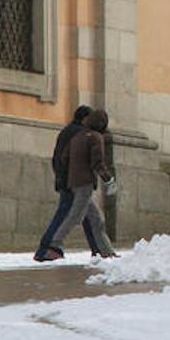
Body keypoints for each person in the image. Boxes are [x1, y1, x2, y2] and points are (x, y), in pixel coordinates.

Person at [33, 107, 118, 262]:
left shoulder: (73, 134)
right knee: (73, 216)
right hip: (82, 183)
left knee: (94, 218)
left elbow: (62, 158)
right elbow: (97, 163)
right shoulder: (93, 137)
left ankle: (103, 251)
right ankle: (51, 247)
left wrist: (66, 177)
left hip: (70, 181)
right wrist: (108, 180)